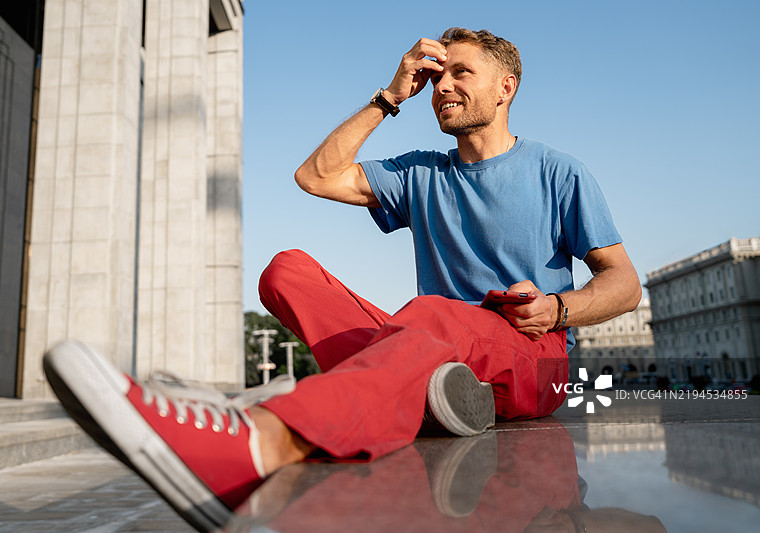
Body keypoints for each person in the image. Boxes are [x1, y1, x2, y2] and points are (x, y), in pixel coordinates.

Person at [43, 28, 642, 533]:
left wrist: (558, 309)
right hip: (435, 343)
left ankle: (265, 441)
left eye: (462, 73)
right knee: (286, 272)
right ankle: (435, 397)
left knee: (432, 314)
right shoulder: (421, 174)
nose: (443, 87)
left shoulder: (559, 172)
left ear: (506, 87)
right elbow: (316, 176)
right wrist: (389, 97)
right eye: (437, 76)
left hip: (530, 353)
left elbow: (624, 283)